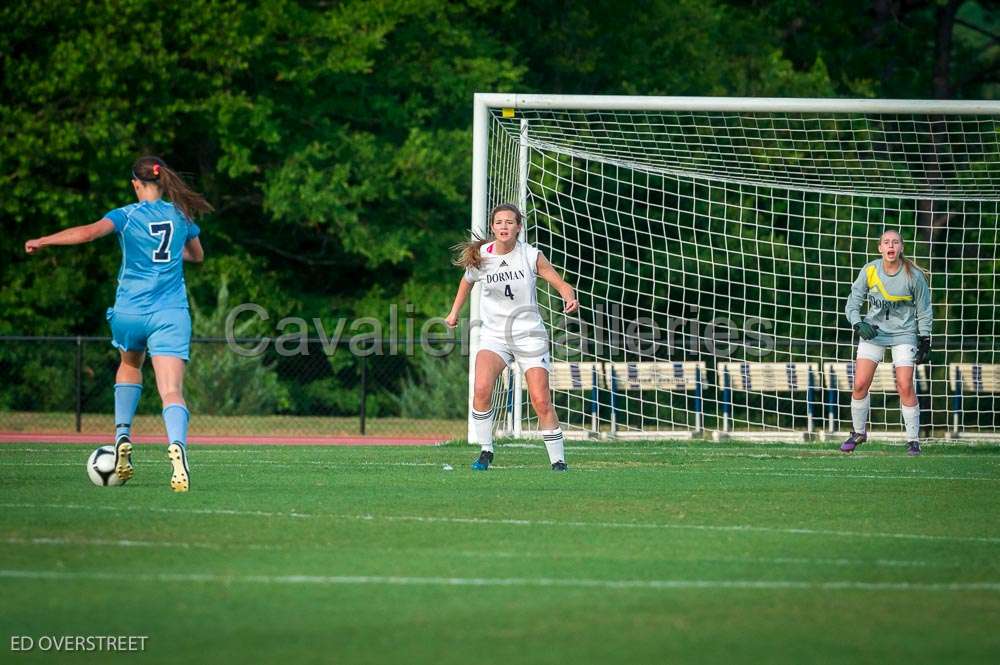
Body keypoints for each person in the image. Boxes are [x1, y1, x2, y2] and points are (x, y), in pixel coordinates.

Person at [25, 156, 211, 490]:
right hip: (170, 312)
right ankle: (177, 447)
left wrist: (44, 240)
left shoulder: (125, 215)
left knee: (129, 363)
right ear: (163, 181)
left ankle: (122, 434)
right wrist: (168, 255)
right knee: (171, 390)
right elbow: (197, 256)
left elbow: (87, 234)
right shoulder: (181, 214)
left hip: (130, 311)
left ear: (135, 184)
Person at [445, 203, 579, 471]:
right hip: (494, 335)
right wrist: (454, 312)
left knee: (540, 400)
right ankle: (485, 451)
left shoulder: (530, 255)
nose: (504, 226)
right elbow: (466, 282)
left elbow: (557, 279)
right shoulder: (482, 255)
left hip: (529, 336)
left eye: (509, 222)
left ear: (519, 227)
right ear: (493, 227)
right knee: (481, 389)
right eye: (499, 222)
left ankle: (558, 461)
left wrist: (568, 294)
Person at [842, 229, 932, 455]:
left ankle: (913, 441)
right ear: (879, 248)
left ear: (901, 247)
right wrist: (857, 324)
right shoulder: (870, 270)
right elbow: (852, 304)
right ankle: (858, 433)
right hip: (874, 332)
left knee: (904, 385)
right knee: (860, 383)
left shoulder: (914, 276)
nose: (891, 246)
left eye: (895, 242)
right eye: (886, 242)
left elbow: (924, 310)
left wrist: (925, 339)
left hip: (904, 334)